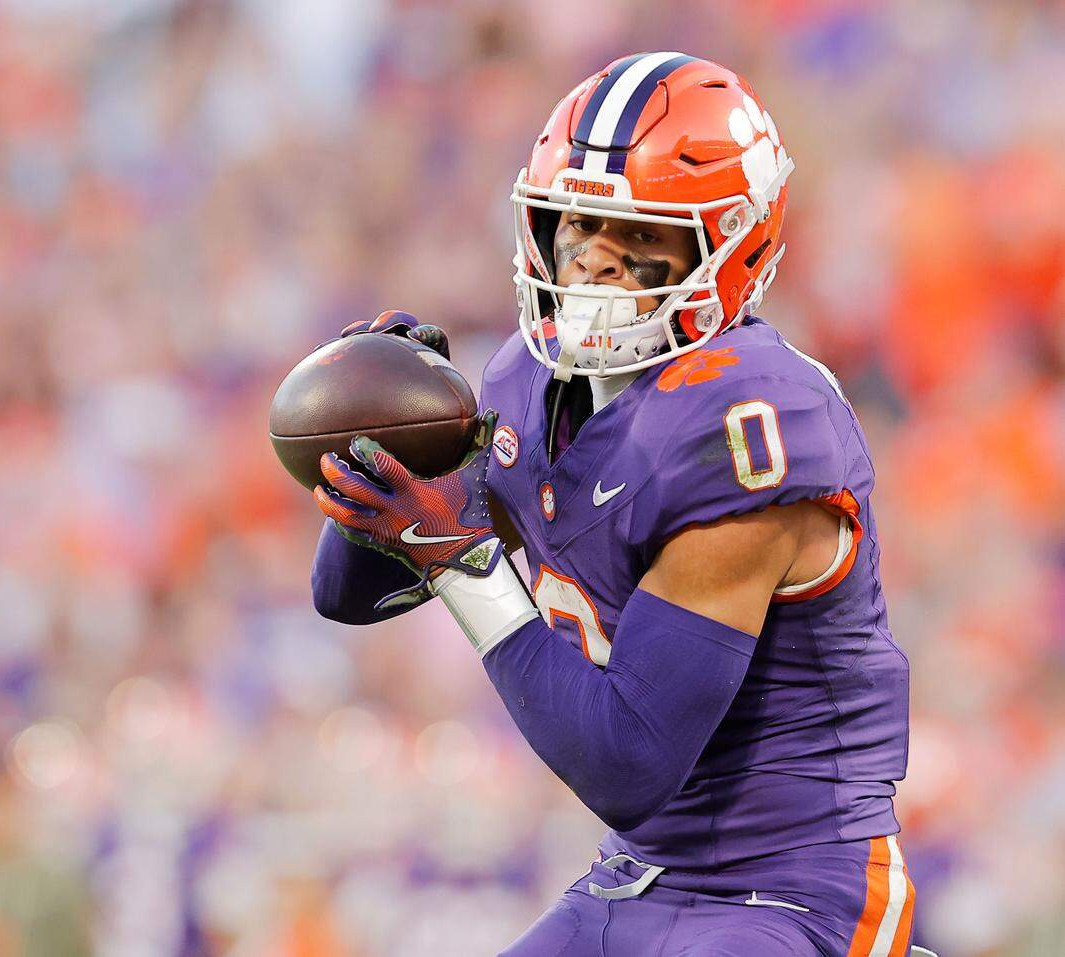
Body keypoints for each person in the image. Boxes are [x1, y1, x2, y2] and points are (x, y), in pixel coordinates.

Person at [310, 52, 914, 957]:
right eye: (576, 221)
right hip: (636, 878)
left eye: (638, 236)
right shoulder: (527, 378)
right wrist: (381, 441)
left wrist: (467, 564)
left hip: (792, 890)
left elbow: (628, 761)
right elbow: (350, 594)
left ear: (729, 245)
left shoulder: (749, 426)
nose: (592, 257)